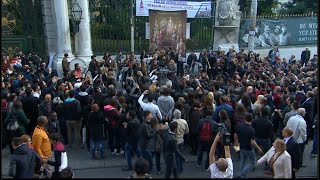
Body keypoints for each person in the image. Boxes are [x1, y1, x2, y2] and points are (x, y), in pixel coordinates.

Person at [234, 113, 263, 178]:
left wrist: (236, 143)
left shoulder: (240, 126)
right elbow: (252, 142)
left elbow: (235, 135)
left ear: (245, 119)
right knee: (253, 162)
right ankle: (242, 174)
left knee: (243, 160)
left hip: (241, 146)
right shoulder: (251, 130)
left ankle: (240, 174)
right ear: (252, 120)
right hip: (248, 148)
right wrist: (259, 148)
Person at [172, 109, 189, 173]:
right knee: (181, 154)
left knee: (176, 156)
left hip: (175, 141)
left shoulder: (172, 123)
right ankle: (181, 167)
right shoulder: (184, 122)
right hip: (181, 140)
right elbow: (187, 132)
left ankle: (178, 168)